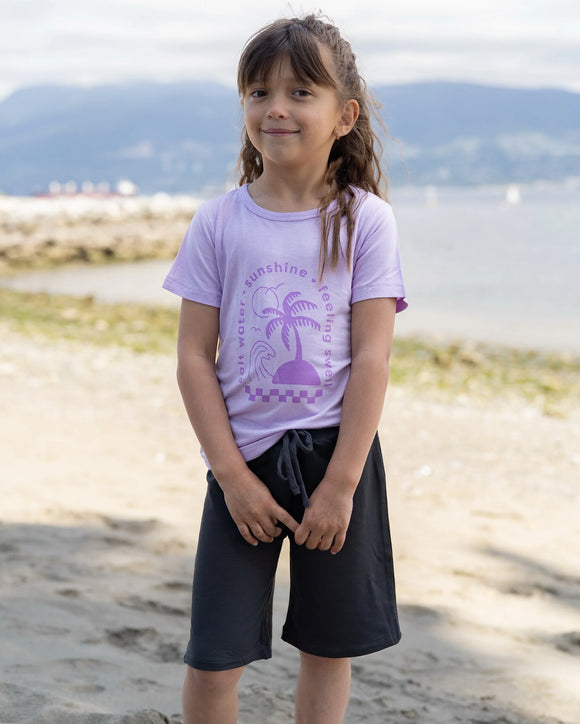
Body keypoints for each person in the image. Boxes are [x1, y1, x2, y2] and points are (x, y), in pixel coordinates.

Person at [163, 13, 407, 724]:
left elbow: (373, 358)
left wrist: (341, 485)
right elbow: (193, 357)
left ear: (344, 116)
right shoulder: (218, 222)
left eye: (301, 92)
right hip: (241, 461)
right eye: (259, 92)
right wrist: (233, 478)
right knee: (214, 659)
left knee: (327, 652)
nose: (276, 108)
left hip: (338, 459)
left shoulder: (366, 221)